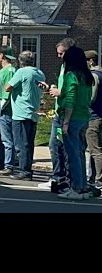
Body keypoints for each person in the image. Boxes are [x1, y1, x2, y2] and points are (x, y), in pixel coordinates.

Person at [53, 46, 94, 200]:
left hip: (73, 117)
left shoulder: (71, 75)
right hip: (84, 116)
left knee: (73, 155)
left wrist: (65, 122)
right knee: (80, 153)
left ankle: (76, 188)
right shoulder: (86, 76)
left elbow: (70, 99)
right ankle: (83, 187)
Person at [38, 37, 75, 193]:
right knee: (54, 146)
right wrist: (53, 88)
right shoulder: (63, 68)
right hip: (59, 113)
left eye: (61, 53)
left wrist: (60, 92)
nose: (59, 57)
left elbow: (74, 93)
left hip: (68, 114)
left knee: (65, 148)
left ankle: (66, 179)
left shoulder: (74, 69)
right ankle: (58, 177)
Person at [5, 50, 46, 180]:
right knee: (29, 143)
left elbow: (8, 87)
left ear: (20, 61)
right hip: (33, 112)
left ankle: (24, 171)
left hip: (20, 112)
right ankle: (27, 169)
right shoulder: (40, 73)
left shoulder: (21, 72)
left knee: (20, 144)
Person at [0, 46, 18, 176]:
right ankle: (4, 162)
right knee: (3, 139)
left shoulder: (8, 71)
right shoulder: (7, 70)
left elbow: (5, 95)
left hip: (5, 112)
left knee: (7, 139)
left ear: (2, 55)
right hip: (4, 111)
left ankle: (8, 165)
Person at [85, 50, 102, 187]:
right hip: (99, 116)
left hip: (93, 116)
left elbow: (91, 97)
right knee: (94, 149)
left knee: (95, 150)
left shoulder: (94, 76)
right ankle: (92, 177)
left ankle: (98, 179)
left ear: (91, 61)